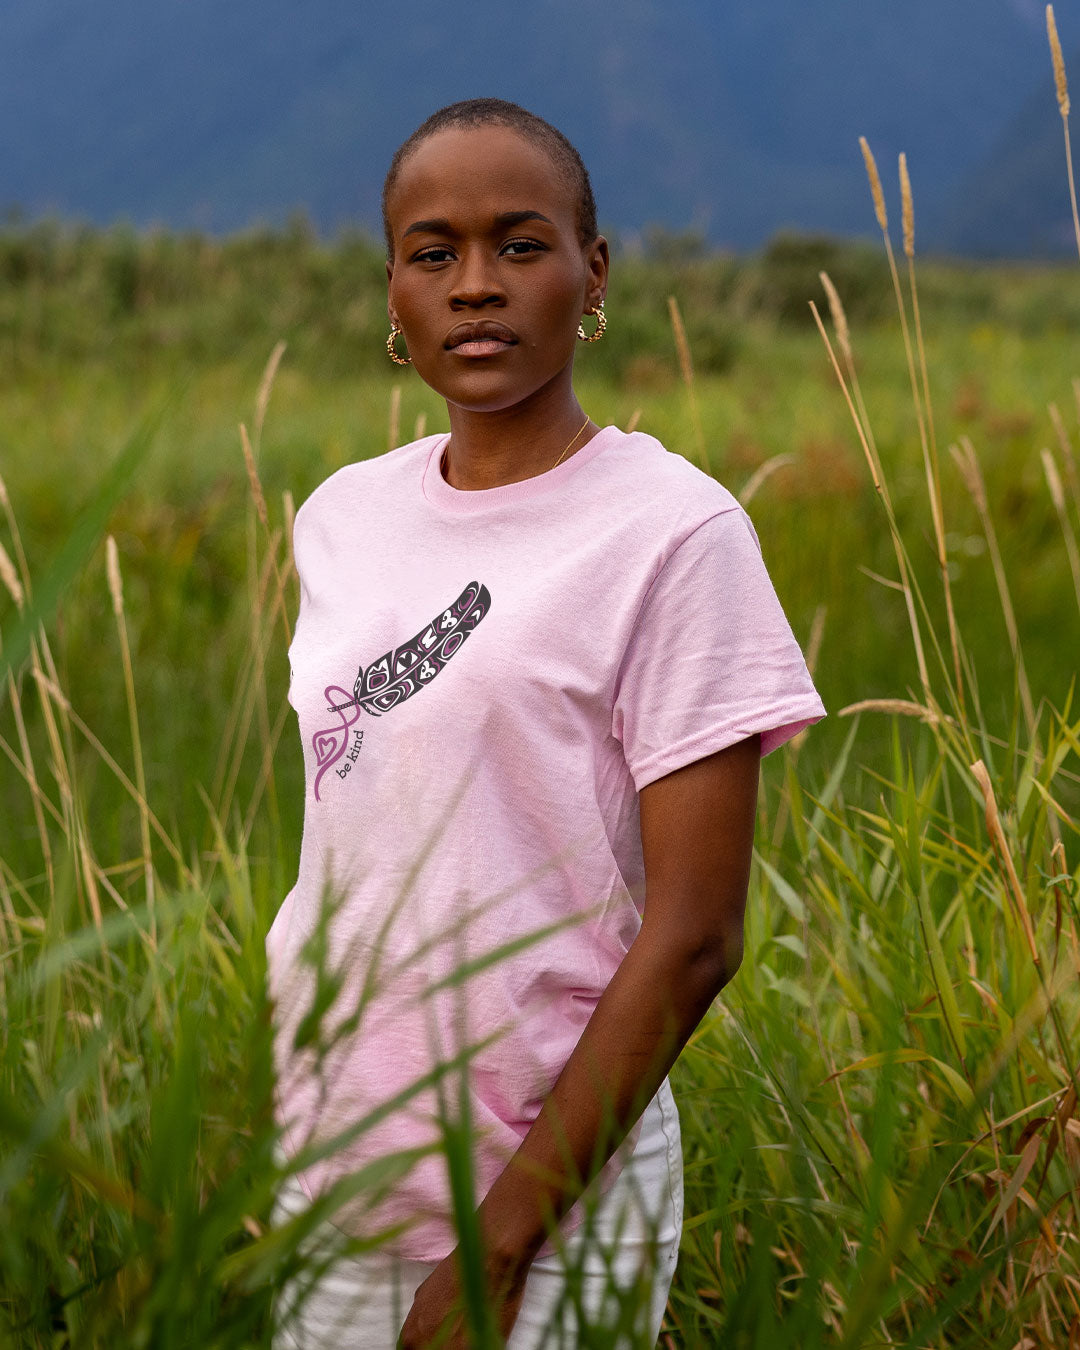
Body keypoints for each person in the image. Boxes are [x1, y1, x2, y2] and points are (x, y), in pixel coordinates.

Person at [265, 98, 825, 1349]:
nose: (476, 286)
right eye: (434, 253)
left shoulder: (673, 534)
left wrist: (504, 1245)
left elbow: (695, 933)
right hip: (339, 1178)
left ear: (593, 274)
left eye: (521, 246)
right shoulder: (343, 520)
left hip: (550, 1207)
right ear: (393, 294)